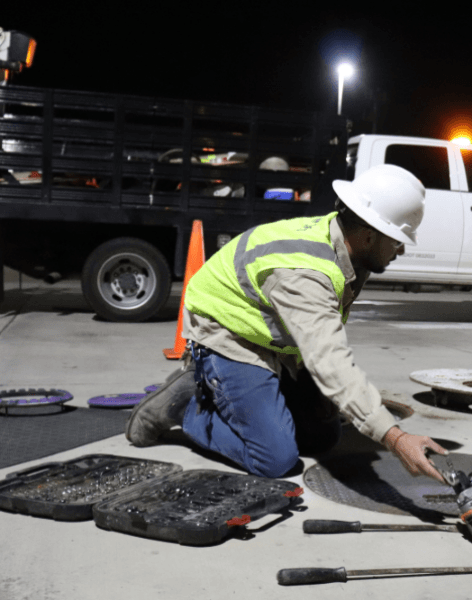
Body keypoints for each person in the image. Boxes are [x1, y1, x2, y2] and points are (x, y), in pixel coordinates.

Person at [126, 164, 447, 483]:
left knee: (321, 438)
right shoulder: (306, 273)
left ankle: (257, 398)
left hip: (274, 334)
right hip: (229, 333)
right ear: (367, 235)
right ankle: (188, 409)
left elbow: (318, 335)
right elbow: (330, 361)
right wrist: (395, 437)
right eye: (395, 239)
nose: (401, 248)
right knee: (276, 458)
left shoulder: (346, 245)